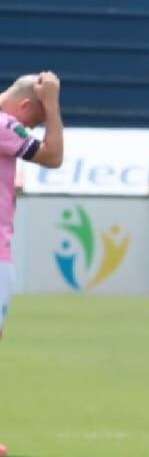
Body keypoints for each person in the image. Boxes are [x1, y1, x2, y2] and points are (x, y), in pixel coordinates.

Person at [0, 72, 66, 339]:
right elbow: (53, 156)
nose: (31, 130)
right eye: (36, 122)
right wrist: (51, 103)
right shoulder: (5, 125)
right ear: (25, 105)